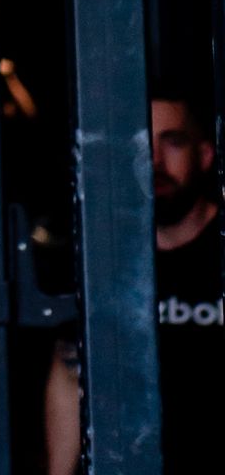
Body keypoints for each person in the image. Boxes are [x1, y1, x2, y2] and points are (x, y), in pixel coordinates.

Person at [44, 93, 222, 473]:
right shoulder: (100, 257)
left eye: (173, 141)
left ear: (205, 155)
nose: (156, 161)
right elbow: (68, 367)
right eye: (143, 145)